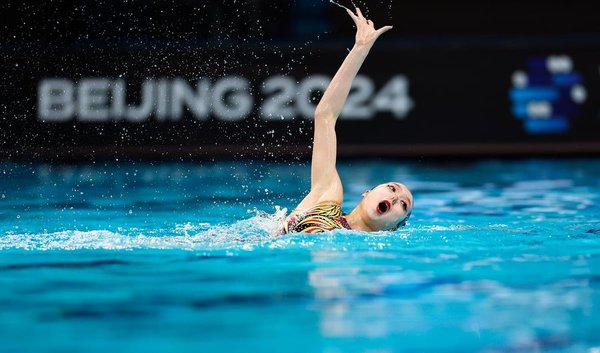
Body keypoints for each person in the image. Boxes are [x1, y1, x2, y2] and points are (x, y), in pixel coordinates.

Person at [278, 7, 413, 235]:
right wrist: (360, 49)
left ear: (395, 228)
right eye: (392, 188)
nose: (394, 197)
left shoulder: (368, 262)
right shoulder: (327, 196)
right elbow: (325, 116)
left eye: (403, 204)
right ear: (367, 193)